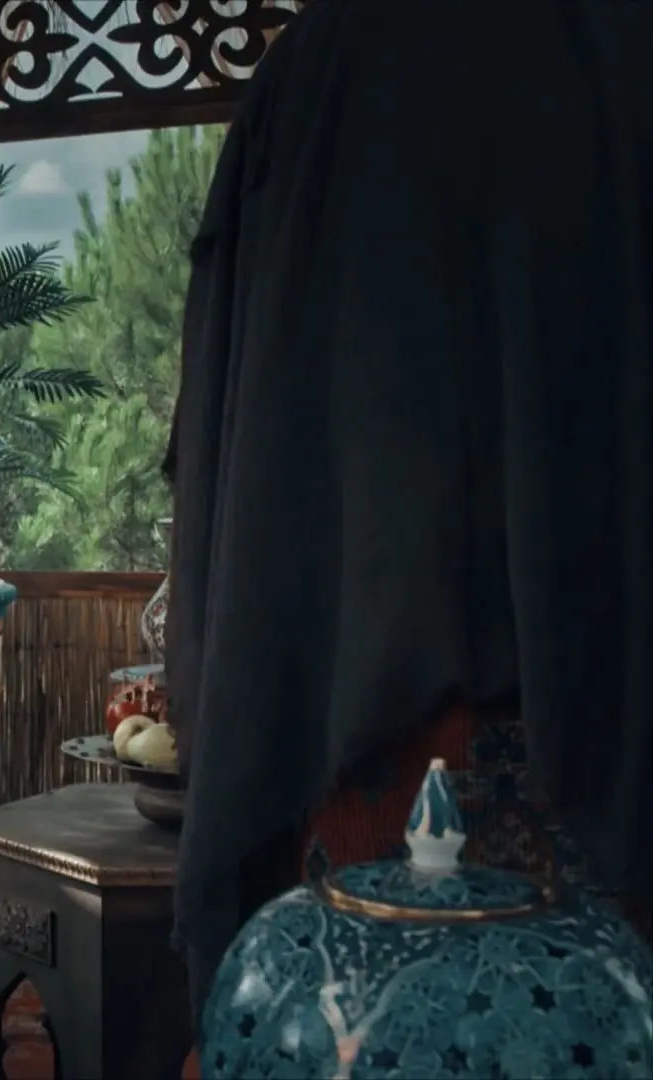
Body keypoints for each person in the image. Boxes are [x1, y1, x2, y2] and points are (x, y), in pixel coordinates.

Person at [169, 0, 653, 1038]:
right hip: (602, 704)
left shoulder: (321, 61)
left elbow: (227, 423)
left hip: (344, 712)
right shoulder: (616, 45)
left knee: (352, 1027)